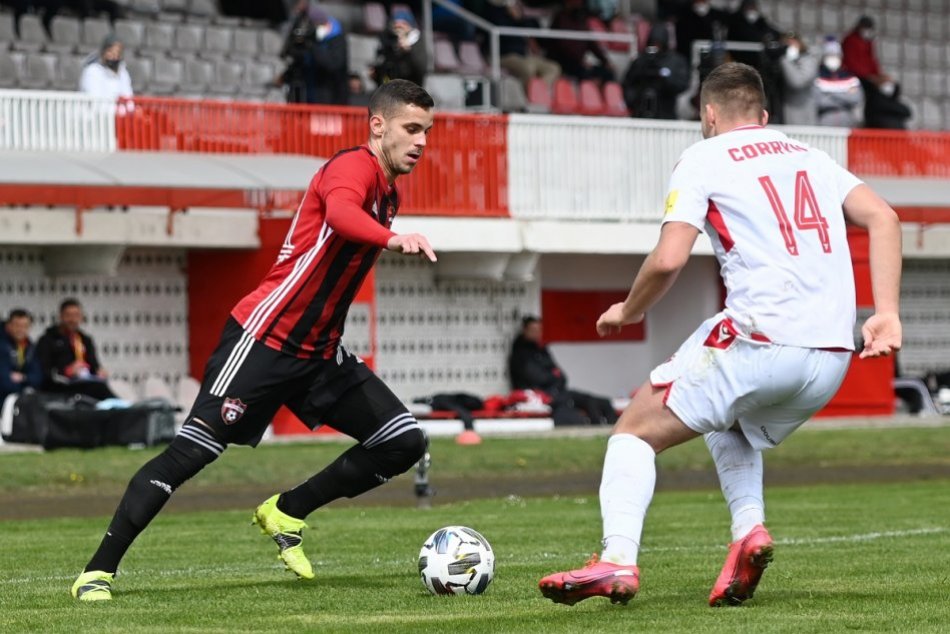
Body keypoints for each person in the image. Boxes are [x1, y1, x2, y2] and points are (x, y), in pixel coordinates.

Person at [538, 62, 902, 608]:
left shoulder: (703, 156)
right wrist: (888, 313)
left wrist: (628, 310)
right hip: (831, 355)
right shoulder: (811, 156)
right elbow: (885, 218)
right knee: (729, 421)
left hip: (761, 336)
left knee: (634, 431)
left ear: (707, 115)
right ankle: (749, 532)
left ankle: (617, 558)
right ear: (765, 114)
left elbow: (668, 260)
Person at [71, 80, 438, 602]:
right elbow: (339, 214)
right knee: (188, 455)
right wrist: (393, 237)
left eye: (426, 131)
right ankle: (97, 572)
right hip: (263, 340)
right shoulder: (352, 167)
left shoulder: (390, 191)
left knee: (403, 441)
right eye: (411, 128)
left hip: (320, 353)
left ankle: (287, 509)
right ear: (378, 125)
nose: (421, 141)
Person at [509, 316, 618, 427]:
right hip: (542, 397)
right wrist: (553, 376)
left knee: (600, 402)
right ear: (525, 331)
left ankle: (613, 432)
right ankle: (594, 428)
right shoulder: (520, 354)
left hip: (558, 392)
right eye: (533, 330)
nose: (537, 333)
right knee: (573, 412)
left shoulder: (542, 350)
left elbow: (562, 376)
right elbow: (538, 378)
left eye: (539, 330)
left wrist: (554, 376)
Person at [36, 298, 115, 401]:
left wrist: (99, 372)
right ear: (61, 316)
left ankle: (122, 408)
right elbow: (43, 372)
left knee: (103, 387)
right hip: (60, 387)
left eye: (76, 315)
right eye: (68, 315)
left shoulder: (85, 339)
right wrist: (66, 371)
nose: (72, 320)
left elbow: (94, 365)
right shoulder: (47, 340)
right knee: (99, 390)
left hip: (85, 383)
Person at [841, 16, 910, 129]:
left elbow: (872, 61)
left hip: (869, 77)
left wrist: (879, 76)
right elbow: (851, 63)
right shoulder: (850, 40)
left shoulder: (868, 42)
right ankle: (866, 121)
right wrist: (870, 77)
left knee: (890, 87)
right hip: (855, 76)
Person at [486, 0, 561, 90]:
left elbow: (532, 28)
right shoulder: (493, 10)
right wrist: (508, 14)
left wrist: (519, 18)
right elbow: (501, 33)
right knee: (527, 68)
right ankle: (529, 97)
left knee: (553, 68)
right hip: (504, 55)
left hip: (523, 56)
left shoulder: (518, 11)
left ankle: (537, 92)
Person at [280, 5, 348, 104]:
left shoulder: (336, 39)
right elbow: (298, 62)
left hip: (330, 101)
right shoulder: (311, 42)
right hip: (308, 98)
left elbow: (333, 65)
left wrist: (312, 46)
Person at [621, 23, 689, 119]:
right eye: (652, 44)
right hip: (640, 112)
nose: (655, 48)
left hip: (665, 111)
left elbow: (682, 85)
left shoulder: (675, 61)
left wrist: (663, 77)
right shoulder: (640, 60)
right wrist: (633, 100)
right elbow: (628, 83)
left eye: (659, 44)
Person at [546, 0, 615, 84]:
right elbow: (563, 46)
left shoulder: (581, 19)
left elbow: (591, 43)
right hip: (563, 62)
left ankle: (607, 95)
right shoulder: (560, 18)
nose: (579, 4)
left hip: (579, 63)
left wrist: (605, 61)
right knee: (584, 73)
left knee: (608, 73)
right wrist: (579, 61)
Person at [815, 38, 863, 128]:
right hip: (824, 121)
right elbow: (819, 101)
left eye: (836, 55)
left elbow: (855, 99)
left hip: (847, 122)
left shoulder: (851, 78)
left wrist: (829, 93)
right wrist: (844, 94)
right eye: (829, 55)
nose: (833, 58)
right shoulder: (817, 77)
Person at [371, 9, 427, 87]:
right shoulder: (389, 41)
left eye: (403, 23)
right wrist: (375, 73)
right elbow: (384, 69)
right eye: (396, 23)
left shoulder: (417, 42)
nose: (399, 26)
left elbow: (421, 69)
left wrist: (408, 51)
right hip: (391, 90)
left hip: (410, 90)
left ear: (410, 26)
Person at [0, 308, 43, 403]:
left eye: (25, 326)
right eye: (17, 325)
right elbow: (4, 381)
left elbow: (38, 377)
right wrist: (25, 383)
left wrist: (23, 378)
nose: (21, 330)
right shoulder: (2, 345)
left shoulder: (30, 347)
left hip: (23, 399)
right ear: (8, 326)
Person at [778, 33, 818, 126]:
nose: (790, 46)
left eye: (793, 43)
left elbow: (797, 82)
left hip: (801, 117)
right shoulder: (779, 61)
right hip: (781, 113)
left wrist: (785, 60)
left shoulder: (808, 60)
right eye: (787, 44)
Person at [79, 33, 133, 101]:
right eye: (110, 52)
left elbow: (128, 97)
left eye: (118, 53)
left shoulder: (123, 73)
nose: (114, 56)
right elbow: (94, 99)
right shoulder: (93, 71)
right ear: (103, 52)